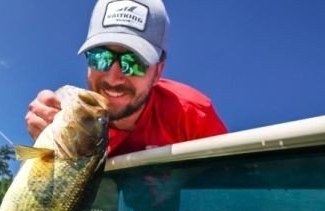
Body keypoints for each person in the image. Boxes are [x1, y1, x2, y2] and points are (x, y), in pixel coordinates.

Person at [25, 0, 227, 157]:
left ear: (157, 72)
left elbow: (230, 178)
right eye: (100, 58)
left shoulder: (192, 116)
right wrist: (45, 140)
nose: (113, 78)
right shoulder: (72, 119)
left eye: (134, 63)